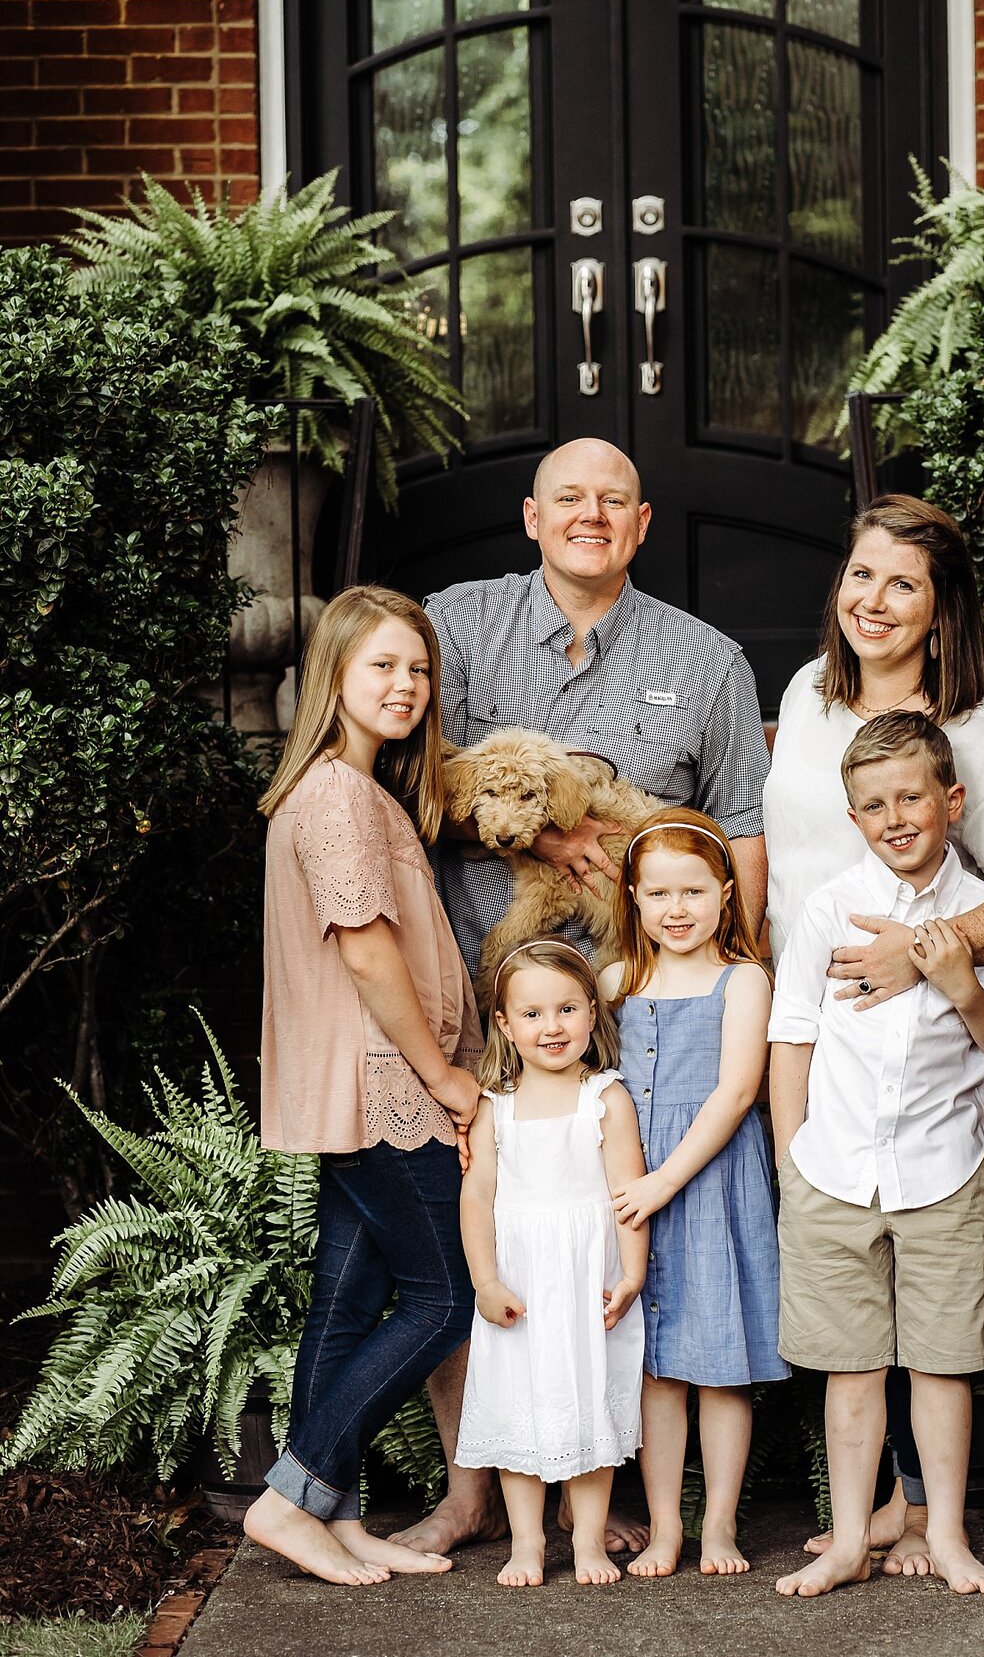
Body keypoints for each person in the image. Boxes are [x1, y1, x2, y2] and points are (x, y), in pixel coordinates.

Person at [401, 437, 771, 1558]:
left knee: (606, 1247)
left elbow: (740, 836)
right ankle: (475, 1490)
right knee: (489, 1234)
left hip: (638, 1017)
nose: (591, 515)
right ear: (531, 515)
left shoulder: (706, 660)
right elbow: (417, 779)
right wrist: (563, 836)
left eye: (614, 500)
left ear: (644, 525)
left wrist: (738, 976)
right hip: (482, 1002)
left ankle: (591, 1495)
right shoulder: (456, 625)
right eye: (570, 498)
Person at [762, 492, 984, 1567]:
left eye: (903, 583)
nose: (874, 600)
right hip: (819, 1057)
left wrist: (924, 948)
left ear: (941, 608)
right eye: (861, 574)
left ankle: (922, 1513)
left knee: (932, 1293)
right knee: (853, 1293)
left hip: (936, 1061)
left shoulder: (977, 734)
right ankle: (882, 1514)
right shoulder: (808, 693)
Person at [766, 712, 984, 1598]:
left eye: (911, 795)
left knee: (943, 1363)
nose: (895, 816)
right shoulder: (827, 907)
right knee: (850, 1368)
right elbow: (794, 1033)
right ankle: (850, 1539)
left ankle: (948, 1536)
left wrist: (961, 984)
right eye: (873, 803)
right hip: (835, 1168)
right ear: (853, 818)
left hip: (942, 1171)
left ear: (951, 800)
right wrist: (791, 1160)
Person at [244, 587, 481, 1587]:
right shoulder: (339, 796)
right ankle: (289, 1495)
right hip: (389, 1086)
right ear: (335, 672)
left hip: (358, 1087)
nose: (405, 685)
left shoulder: (354, 787)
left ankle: (326, 1515)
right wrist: (444, 1077)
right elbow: (369, 952)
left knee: (349, 1302)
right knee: (445, 1297)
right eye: (382, 664)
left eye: (418, 668)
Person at [600, 808, 786, 1580]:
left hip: (709, 1186)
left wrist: (664, 1179)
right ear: (634, 899)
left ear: (726, 893)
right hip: (627, 1193)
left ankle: (719, 1526)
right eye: (659, 893)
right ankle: (666, 1525)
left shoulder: (742, 979)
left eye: (695, 891)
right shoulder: (614, 981)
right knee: (654, 1371)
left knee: (719, 1363)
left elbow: (739, 1088)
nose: (677, 909)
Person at [455, 939, 649, 1586]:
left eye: (567, 1008)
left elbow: (628, 1193)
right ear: (506, 1025)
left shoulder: (606, 1098)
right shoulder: (495, 1105)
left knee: (590, 1401)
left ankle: (589, 1540)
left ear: (593, 1013)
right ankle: (528, 1542)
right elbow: (477, 1194)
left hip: (587, 1278)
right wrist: (484, 1279)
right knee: (519, 1407)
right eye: (533, 1014)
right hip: (521, 1282)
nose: (552, 1026)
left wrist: (632, 1274)